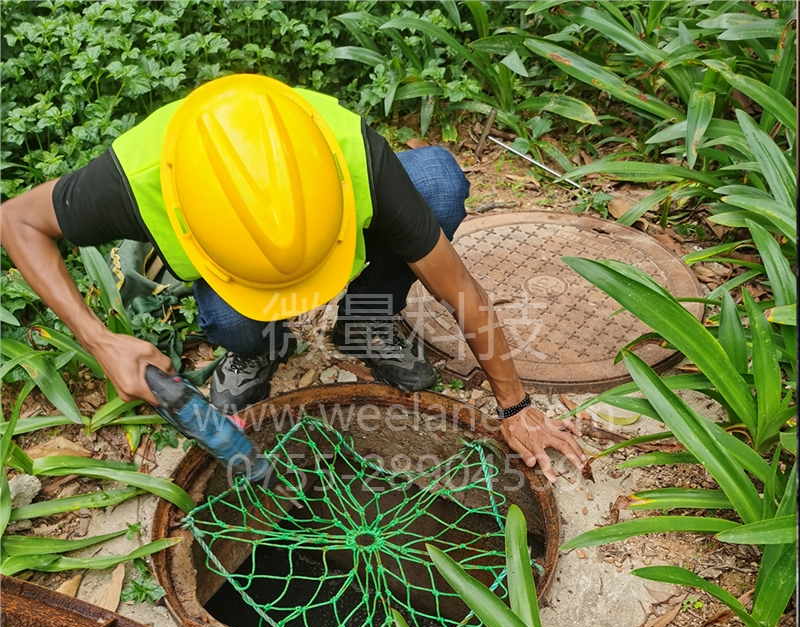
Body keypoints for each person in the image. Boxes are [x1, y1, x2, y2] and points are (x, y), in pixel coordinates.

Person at [0, 74, 586, 483]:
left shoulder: (348, 154)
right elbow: (16, 220)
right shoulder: (138, 178)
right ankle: (253, 351)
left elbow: (457, 286)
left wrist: (516, 406)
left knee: (435, 182)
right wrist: (100, 342)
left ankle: (363, 320)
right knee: (235, 322)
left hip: (351, 201)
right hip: (223, 275)